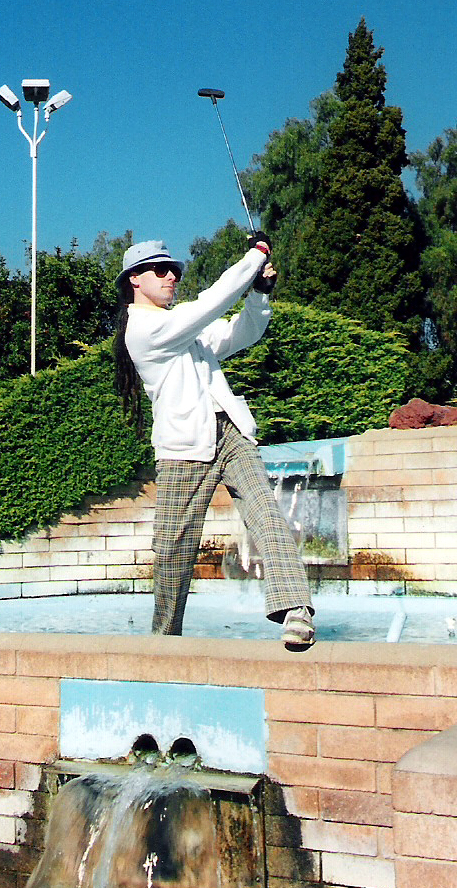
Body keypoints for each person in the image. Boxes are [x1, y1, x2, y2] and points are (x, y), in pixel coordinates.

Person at [114, 236, 315, 650]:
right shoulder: (145, 329)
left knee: (265, 512)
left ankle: (296, 609)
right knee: (172, 548)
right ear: (134, 279)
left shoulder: (186, 327)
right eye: (160, 270)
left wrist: (258, 295)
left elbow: (242, 332)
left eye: (175, 271)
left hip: (231, 432)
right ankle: (165, 638)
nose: (171, 276)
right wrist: (255, 256)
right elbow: (213, 302)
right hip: (183, 446)